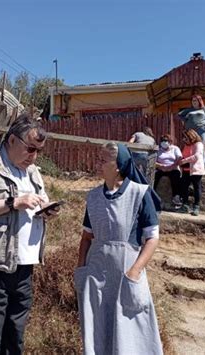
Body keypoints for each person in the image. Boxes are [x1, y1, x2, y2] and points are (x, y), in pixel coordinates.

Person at [0, 113, 60, 355]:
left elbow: (31, 208)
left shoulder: (33, 172)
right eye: (30, 149)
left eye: (38, 151)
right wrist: (13, 202)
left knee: (15, 337)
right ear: (12, 140)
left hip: (25, 266)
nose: (34, 156)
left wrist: (45, 212)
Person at [74, 142, 163, 355]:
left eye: (104, 160)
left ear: (118, 165)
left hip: (126, 275)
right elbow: (87, 237)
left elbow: (152, 238)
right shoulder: (93, 197)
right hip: (96, 276)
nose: (98, 163)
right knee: (98, 332)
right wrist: (81, 270)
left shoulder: (139, 194)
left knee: (129, 336)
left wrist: (135, 271)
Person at [177, 129, 205, 216]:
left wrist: (184, 161)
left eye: (186, 137)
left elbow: (196, 156)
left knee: (197, 188)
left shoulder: (198, 144)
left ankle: (196, 207)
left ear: (191, 136)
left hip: (196, 170)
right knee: (184, 187)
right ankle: (185, 205)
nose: (184, 139)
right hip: (186, 170)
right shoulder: (186, 146)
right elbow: (184, 155)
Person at [154, 134, 183, 208]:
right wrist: (160, 166)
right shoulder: (158, 150)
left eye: (166, 140)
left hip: (173, 168)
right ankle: (152, 195)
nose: (164, 142)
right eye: (162, 141)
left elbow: (179, 159)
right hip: (161, 168)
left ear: (170, 141)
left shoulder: (175, 148)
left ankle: (176, 198)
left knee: (176, 177)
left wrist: (171, 166)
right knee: (154, 177)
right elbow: (153, 161)